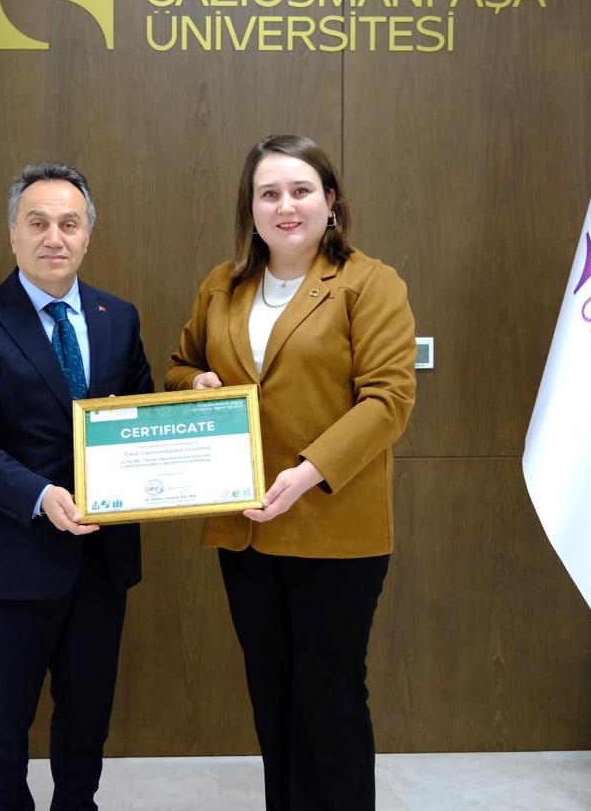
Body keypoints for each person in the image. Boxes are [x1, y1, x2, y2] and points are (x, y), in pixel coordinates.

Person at [166, 135, 416, 810]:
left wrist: (307, 473)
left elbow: (389, 399)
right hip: (246, 531)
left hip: (334, 527)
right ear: (250, 209)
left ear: (330, 201)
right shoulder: (223, 285)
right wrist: (195, 384)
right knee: (272, 699)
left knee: (328, 699)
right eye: (268, 193)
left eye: (301, 190)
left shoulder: (370, 283)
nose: (285, 206)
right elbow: (181, 364)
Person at [0, 162, 152, 811]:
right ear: (13, 234)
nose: (54, 237)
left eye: (68, 223)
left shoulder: (118, 316)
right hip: (13, 561)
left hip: (102, 562)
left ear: (88, 235)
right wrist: (41, 497)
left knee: (86, 727)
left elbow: (140, 418)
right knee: (2, 735)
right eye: (38, 223)